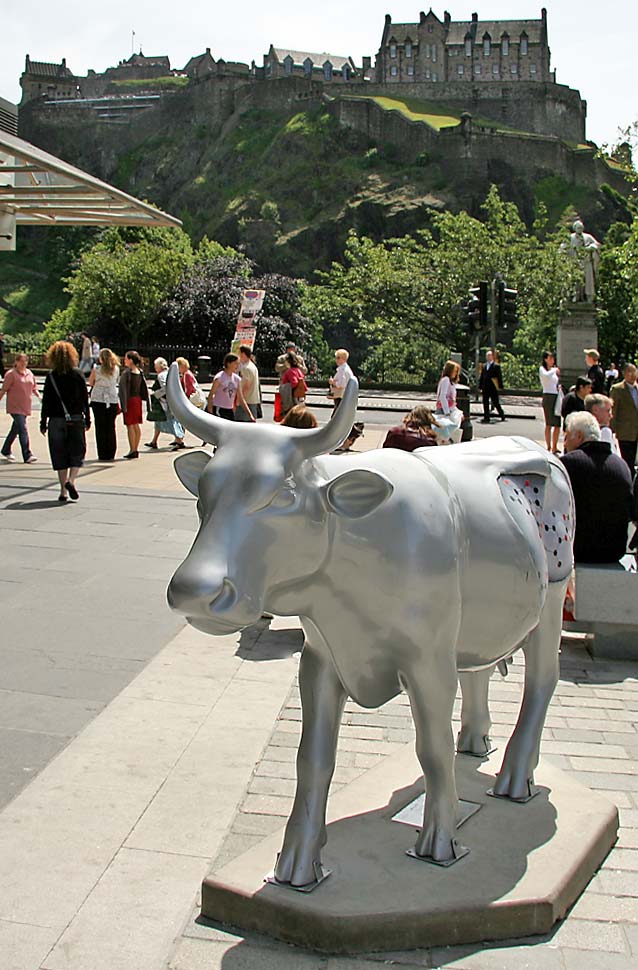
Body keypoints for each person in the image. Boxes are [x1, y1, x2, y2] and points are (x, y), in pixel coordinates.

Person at [561, 411, 632, 563]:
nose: (565, 443)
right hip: (615, 549)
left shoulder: (569, 463)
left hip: (579, 549)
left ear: (579, 436)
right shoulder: (621, 465)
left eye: (567, 436)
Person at [40, 340, 90, 502]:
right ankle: (71, 480)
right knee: (77, 451)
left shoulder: (51, 376)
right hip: (75, 418)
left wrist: (43, 422)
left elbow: (46, 401)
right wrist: (88, 418)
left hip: (55, 419)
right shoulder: (78, 375)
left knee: (59, 453)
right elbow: (84, 398)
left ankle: (63, 491)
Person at [0, 352, 40, 463]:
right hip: (15, 406)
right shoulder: (11, 374)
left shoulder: (29, 373)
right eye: (21, 361)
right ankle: (27, 454)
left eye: (25, 361)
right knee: (23, 428)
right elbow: (4, 390)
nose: (23, 364)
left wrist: (39, 397)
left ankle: (5, 449)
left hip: (25, 405)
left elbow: (34, 387)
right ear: (16, 362)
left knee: (16, 429)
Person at [145, 357, 185, 451]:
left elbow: (165, 388)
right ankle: (154, 441)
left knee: (169, 421)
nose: (155, 368)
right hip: (170, 401)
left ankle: (179, 441)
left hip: (165, 403)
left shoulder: (161, 375)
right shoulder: (170, 373)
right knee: (158, 421)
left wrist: (155, 394)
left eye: (156, 366)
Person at [88, 348, 120, 461]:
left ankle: (102, 452)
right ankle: (111, 452)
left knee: (100, 427)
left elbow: (91, 382)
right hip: (112, 398)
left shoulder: (97, 369)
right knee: (111, 426)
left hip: (98, 399)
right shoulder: (115, 369)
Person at [206, 353, 256, 422]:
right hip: (219, 408)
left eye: (238, 364)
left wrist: (250, 415)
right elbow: (211, 395)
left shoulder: (237, 379)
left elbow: (241, 399)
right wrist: (210, 412)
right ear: (229, 363)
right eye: (236, 363)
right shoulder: (219, 377)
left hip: (229, 410)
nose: (237, 366)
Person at [119, 351, 149, 459]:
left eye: (126, 358)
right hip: (137, 400)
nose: (125, 360)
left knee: (130, 425)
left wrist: (123, 404)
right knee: (136, 425)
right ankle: (135, 448)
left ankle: (132, 449)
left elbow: (123, 390)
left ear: (131, 360)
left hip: (130, 400)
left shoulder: (127, 373)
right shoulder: (139, 372)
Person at [610, 363, 638, 474]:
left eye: (634, 371)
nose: (632, 375)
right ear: (624, 374)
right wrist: (611, 429)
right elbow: (613, 410)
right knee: (628, 461)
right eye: (629, 372)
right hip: (625, 431)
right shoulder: (617, 389)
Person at [434, 359, 463, 444]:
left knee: (446, 432)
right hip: (444, 410)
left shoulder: (449, 381)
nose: (455, 373)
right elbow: (443, 396)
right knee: (445, 432)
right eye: (454, 371)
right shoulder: (446, 380)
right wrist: (447, 412)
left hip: (448, 409)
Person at [539, 351, 561, 454]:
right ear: (545, 359)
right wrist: (554, 370)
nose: (552, 360)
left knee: (557, 423)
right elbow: (546, 376)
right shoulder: (543, 369)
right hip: (548, 396)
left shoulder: (553, 371)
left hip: (555, 395)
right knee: (549, 423)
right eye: (550, 358)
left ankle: (555, 446)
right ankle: (548, 446)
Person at [478, 349, 505, 423]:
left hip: (493, 387)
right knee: (485, 402)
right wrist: (480, 387)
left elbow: (499, 377)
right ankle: (486, 417)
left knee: (495, 402)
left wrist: (500, 386)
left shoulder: (496, 366)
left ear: (492, 357)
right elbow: (482, 377)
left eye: (489, 356)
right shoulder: (484, 366)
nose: (488, 357)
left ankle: (502, 414)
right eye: (487, 356)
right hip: (485, 387)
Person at [237, 345, 262, 421]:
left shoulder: (245, 368)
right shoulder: (253, 366)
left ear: (243, 354)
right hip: (253, 400)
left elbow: (246, 386)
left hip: (247, 401)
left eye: (239, 353)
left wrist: (240, 401)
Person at [279, 352, 307, 417]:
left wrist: (283, 387)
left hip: (292, 399)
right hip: (299, 397)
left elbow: (294, 383)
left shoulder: (290, 371)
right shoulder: (298, 370)